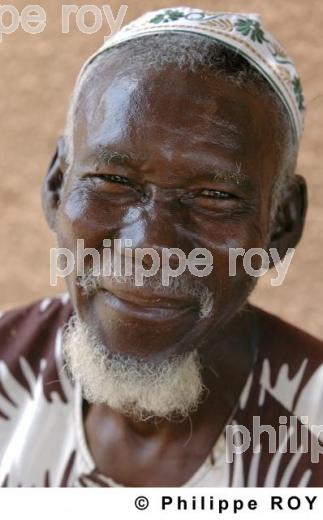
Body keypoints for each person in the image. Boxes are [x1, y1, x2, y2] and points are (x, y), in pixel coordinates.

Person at [0, 7, 322, 487]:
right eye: (112, 180)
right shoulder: (9, 368)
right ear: (56, 186)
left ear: (281, 225)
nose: (151, 244)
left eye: (215, 196)